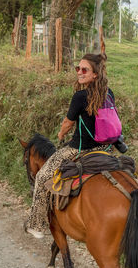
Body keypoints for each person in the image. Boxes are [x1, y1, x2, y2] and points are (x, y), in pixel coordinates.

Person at [24, 53, 115, 239]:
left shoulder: (80, 96)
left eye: (84, 70)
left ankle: (36, 225)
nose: (79, 73)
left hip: (79, 148)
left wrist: (61, 134)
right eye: (78, 69)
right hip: (106, 148)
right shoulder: (109, 93)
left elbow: (68, 122)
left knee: (42, 176)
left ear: (95, 74)